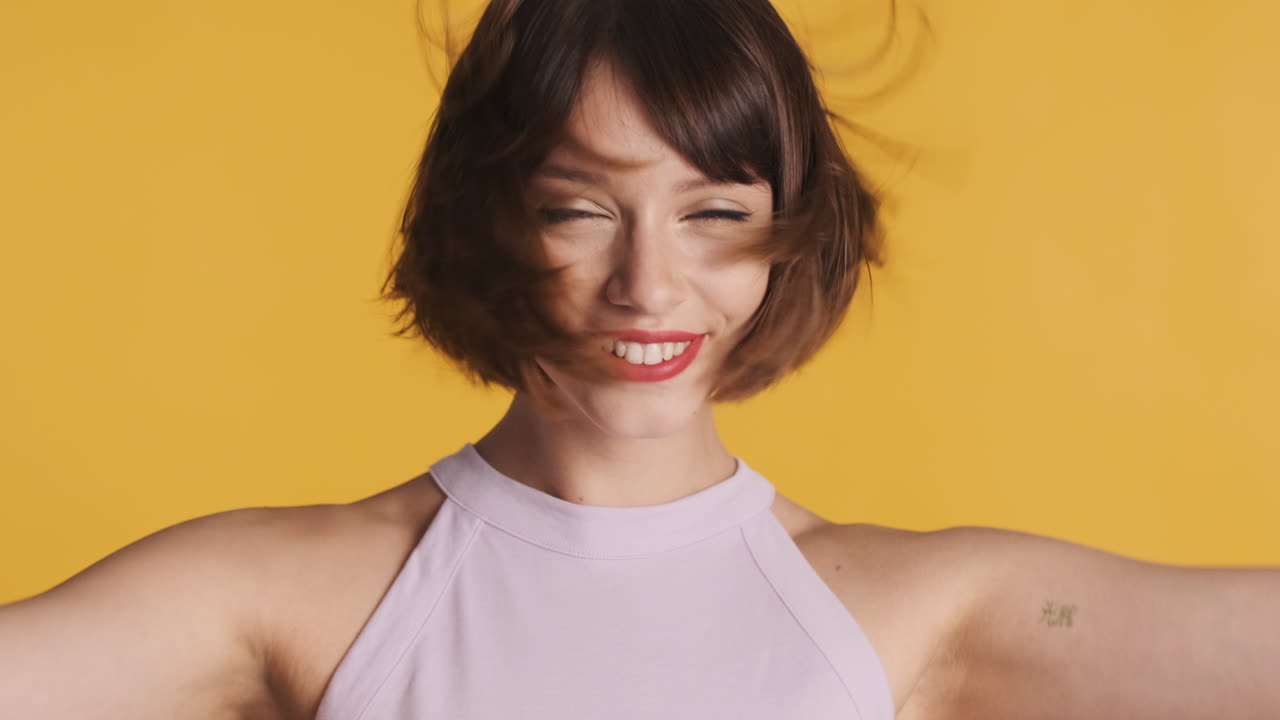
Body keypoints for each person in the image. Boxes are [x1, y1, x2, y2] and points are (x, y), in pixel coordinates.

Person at [2, 0, 1277, 718]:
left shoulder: (922, 612)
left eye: (714, 213)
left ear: (784, 238)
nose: (649, 285)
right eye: (578, 209)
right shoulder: (272, 593)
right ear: (487, 218)